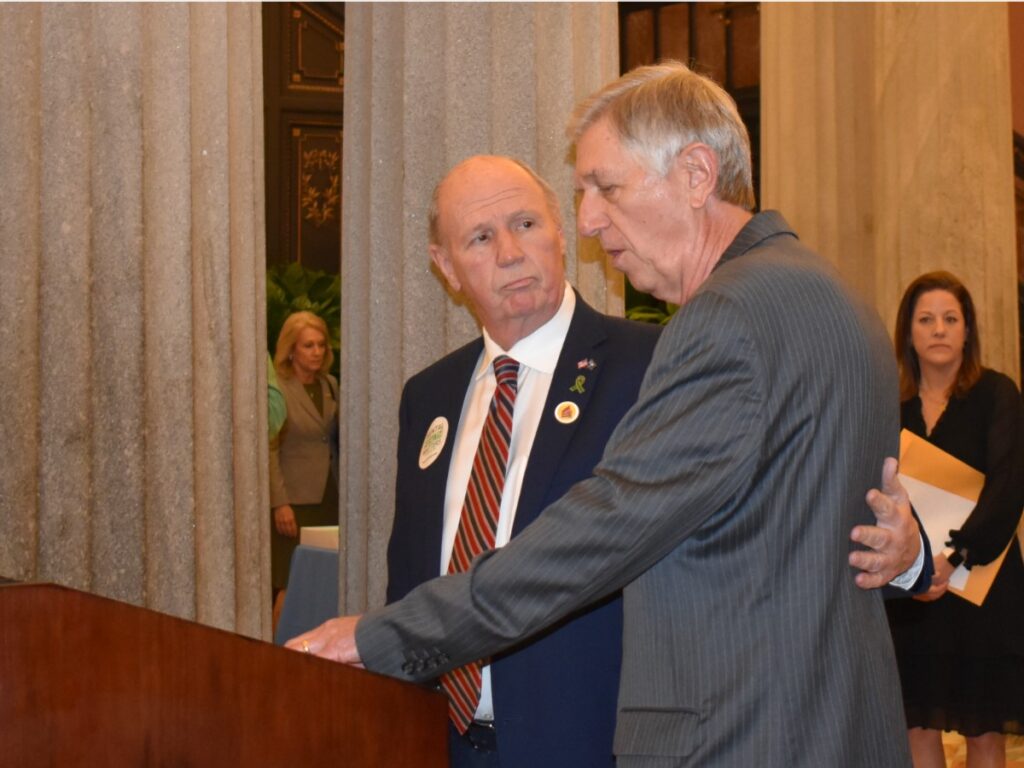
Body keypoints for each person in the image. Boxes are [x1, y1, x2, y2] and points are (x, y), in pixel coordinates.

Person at [289, 62, 924, 766]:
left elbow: (601, 532)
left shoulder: (725, 321)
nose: (589, 220)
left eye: (606, 187)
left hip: (740, 737)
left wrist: (386, 637)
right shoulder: (834, 297)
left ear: (695, 173)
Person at [386, 155, 661, 766]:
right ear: (446, 267)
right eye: (480, 238)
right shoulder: (427, 397)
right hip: (444, 742)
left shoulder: (647, 366)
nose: (510, 252)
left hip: (592, 742)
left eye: (526, 224)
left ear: (561, 232)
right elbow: (410, 580)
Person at [885, 271, 1024, 768]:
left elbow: (1008, 487)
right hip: (911, 590)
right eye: (926, 320)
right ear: (909, 333)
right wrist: (912, 570)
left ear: (968, 331)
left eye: (950, 319)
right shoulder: (889, 405)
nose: (939, 329)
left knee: (982, 728)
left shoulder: (997, 393)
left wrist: (954, 557)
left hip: (983, 582)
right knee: (915, 722)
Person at [270, 311, 338, 626]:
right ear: (291, 350)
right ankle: (274, 652)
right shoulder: (279, 389)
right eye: (308, 345)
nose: (316, 352)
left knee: (324, 578)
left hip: (329, 496)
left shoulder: (331, 384)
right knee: (289, 582)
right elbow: (270, 449)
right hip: (294, 503)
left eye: (321, 345)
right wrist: (279, 502)